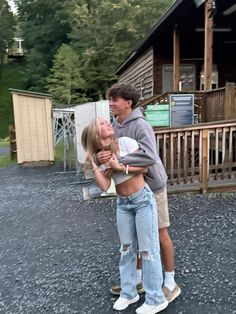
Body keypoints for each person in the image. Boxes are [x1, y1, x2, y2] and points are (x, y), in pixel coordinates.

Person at [97, 83, 181, 303]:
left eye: (115, 100)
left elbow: (149, 156)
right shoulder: (116, 125)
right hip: (132, 188)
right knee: (136, 237)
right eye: (110, 100)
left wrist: (119, 162)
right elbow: (111, 150)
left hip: (153, 186)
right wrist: (102, 158)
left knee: (160, 234)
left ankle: (170, 283)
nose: (111, 104)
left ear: (128, 103)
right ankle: (138, 280)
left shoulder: (141, 125)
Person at [81, 117, 168, 314]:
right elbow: (104, 186)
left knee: (148, 250)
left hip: (143, 201)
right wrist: (93, 163)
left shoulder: (127, 143)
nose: (108, 123)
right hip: (123, 205)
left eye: (106, 121)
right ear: (95, 134)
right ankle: (129, 293)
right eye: (102, 123)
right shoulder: (99, 157)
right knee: (126, 250)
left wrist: (120, 166)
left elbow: (145, 168)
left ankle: (156, 298)